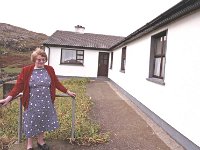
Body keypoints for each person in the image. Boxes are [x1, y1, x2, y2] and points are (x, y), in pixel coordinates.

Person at [0, 48, 76, 150]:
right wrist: (8, 99)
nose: (41, 61)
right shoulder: (26, 70)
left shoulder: (50, 69)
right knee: (30, 122)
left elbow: (56, 83)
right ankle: (29, 145)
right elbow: (18, 86)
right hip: (31, 102)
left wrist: (67, 91)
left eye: (43, 59)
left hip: (46, 102)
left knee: (42, 121)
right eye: (39, 59)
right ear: (34, 59)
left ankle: (41, 141)